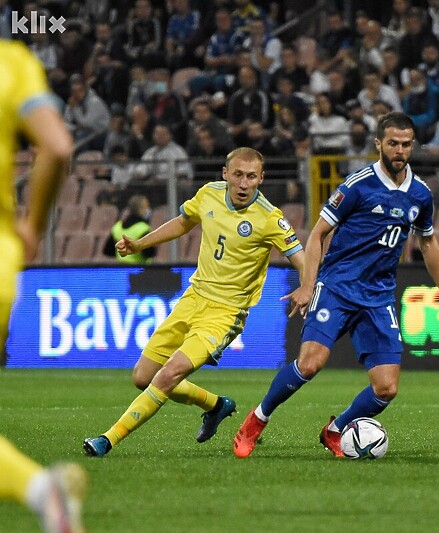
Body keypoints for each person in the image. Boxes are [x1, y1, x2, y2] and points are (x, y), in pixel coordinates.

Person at [232, 112, 439, 459]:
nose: (399, 150)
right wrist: (308, 285)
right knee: (309, 364)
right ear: (379, 144)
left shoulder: (420, 195)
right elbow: (318, 233)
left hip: (378, 297)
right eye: (393, 143)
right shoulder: (357, 185)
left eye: (406, 144)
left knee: (386, 388)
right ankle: (256, 421)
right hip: (337, 286)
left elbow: (427, 242)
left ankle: (335, 430)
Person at [83, 147, 305, 457]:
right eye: (238, 175)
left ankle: (108, 438)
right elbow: (183, 222)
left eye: (251, 177)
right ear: (225, 174)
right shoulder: (209, 194)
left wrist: (306, 286)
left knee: (170, 373)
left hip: (224, 313)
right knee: (143, 377)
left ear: (261, 179)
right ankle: (217, 406)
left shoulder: (269, 218)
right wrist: (140, 242)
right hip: (193, 298)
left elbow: (300, 256)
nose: (243, 184)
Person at [0, 40, 87, 532]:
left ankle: (40, 489)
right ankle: (41, 491)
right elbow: (55, 146)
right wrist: (32, 223)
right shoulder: (12, 62)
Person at [102, 195, 156, 264]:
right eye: (146, 206)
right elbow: (149, 253)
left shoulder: (117, 227)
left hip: (122, 268)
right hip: (140, 269)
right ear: (141, 209)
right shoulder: (143, 228)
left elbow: (107, 251)